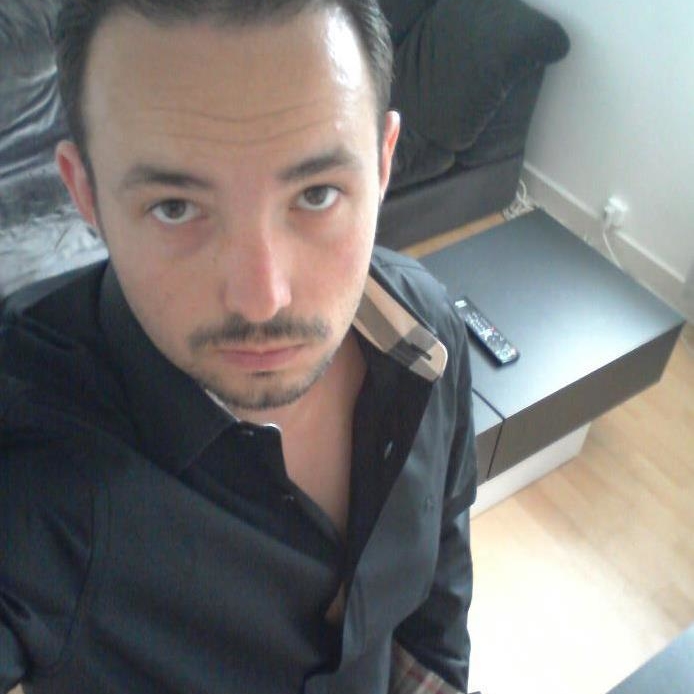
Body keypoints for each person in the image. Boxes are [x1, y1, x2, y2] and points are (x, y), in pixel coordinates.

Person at [0, 0, 477, 692]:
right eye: (175, 207)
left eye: (317, 194)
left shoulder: (426, 339)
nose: (262, 299)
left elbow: (438, 615)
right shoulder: (33, 463)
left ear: (382, 164)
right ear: (86, 195)